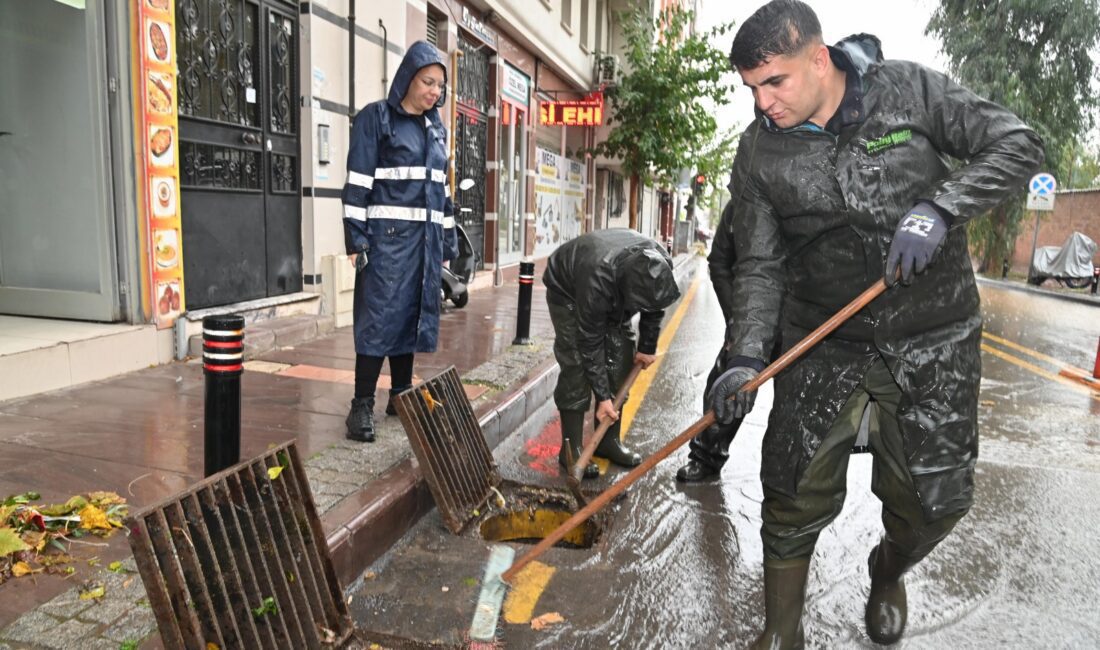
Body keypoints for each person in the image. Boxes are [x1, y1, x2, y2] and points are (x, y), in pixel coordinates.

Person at [710, 2, 1043, 647]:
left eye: (773, 82)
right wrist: (746, 357)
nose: (762, 103)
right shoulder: (757, 153)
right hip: (822, 342)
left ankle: (888, 570)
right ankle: (782, 634)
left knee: (936, 502)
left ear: (818, 56)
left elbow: (1018, 144)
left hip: (934, 336)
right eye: (751, 89)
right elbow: (757, 266)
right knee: (789, 494)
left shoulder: (911, 91)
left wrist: (941, 208)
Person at [341, 41, 458, 443]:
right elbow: (357, 183)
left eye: (440, 87)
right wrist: (356, 240)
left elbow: (441, 190)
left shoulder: (435, 128)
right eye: (428, 82)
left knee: (410, 315)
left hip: (422, 244)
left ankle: (401, 395)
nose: (434, 92)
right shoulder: (376, 119)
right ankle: (360, 407)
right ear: (408, 78)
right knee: (378, 320)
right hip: (384, 243)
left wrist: (447, 243)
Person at [543, 229, 681, 477]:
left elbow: (656, 303)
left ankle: (607, 441)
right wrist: (603, 397)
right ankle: (570, 450)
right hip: (568, 291)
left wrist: (647, 346)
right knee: (576, 365)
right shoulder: (596, 279)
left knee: (621, 357)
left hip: (611, 293)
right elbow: (590, 340)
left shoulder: (659, 263)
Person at [675, 201, 746, 482]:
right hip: (749, 314)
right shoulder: (738, 207)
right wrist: (736, 319)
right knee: (726, 385)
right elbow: (719, 262)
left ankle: (797, 486)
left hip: (802, 317)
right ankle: (706, 457)